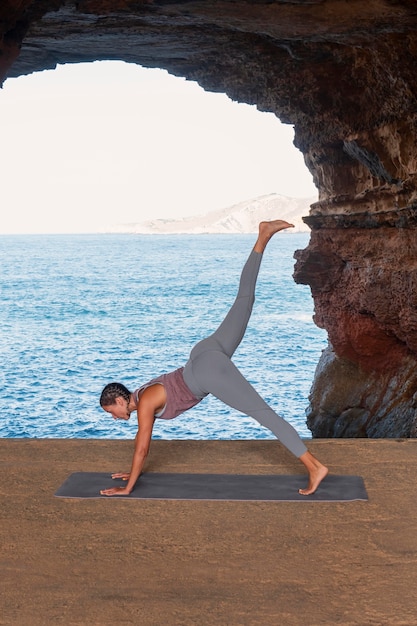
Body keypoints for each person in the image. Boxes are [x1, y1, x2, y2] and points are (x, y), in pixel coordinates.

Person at [99, 220, 328, 497]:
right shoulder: (143, 393)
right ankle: (262, 237)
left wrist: (128, 487)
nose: (115, 417)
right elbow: (142, 448)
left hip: (207, 371)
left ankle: (314, 467)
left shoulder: (145, 402)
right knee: (244, 300)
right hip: (204, 352)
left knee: (264, 415)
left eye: (112, 412)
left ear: (120, 400)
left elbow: (142, 446)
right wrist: (132, 471)